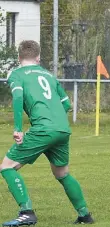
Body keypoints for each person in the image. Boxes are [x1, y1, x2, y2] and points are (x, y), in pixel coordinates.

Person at [2, 40, 94, 226]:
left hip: (43, 129)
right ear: (38, 58)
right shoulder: (50, 76)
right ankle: (84, 214)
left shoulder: (17, 74)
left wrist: (18, 128)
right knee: (62, 173)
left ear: (19, 58)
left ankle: (26, 212)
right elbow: (67, 104)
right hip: (61, 128)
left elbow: (18, 97)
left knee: (7, 167)